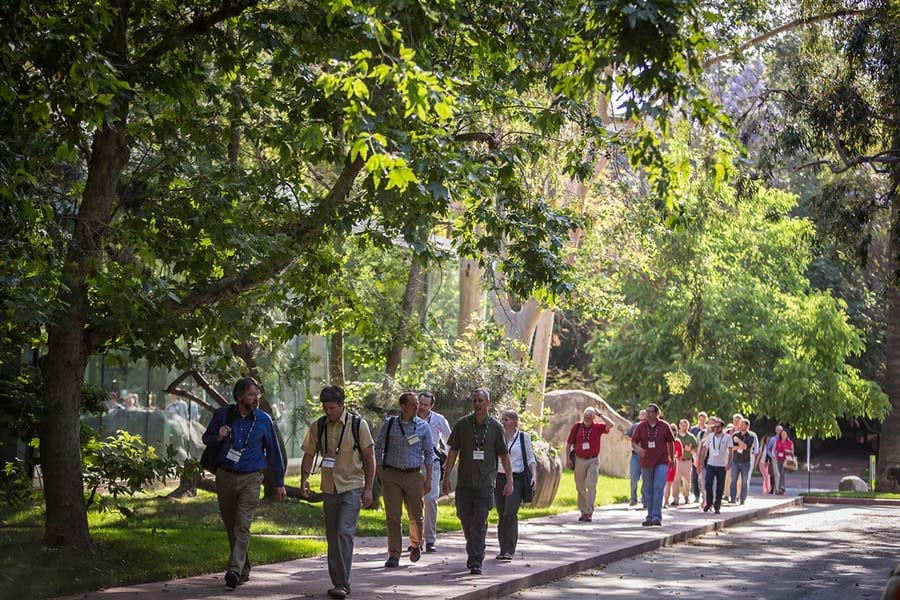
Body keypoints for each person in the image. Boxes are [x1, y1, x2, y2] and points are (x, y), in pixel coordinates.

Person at [202, 377, 286, 590]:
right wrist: (218, 436)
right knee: (231, 525)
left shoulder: (264, 420)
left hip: (252, 477)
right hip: (225, 476)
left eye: (257, 394)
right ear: (239, 396)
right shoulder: (223, 415)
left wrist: (279, 482)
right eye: (251, 394)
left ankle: (234, 570)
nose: (256, 398)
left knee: (243, 524)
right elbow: (206, 438)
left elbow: (274, 453)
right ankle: (243, 567)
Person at [300, 386, 376, 600]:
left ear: (342, 405)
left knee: (344, 532)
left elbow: (370, 458)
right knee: (332, 536)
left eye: (332, 408)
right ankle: (337, 582)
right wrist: (304, 478)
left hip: (352, 485)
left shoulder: (358, 425)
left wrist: (368, 488)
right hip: (329, 486)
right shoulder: (319, 425)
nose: (328, 412)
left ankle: (343, 583)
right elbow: (309, 453)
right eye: (325, 408)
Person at [441, 388, 513, 575]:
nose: (477, 404)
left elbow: (504, 456)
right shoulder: (462, 425)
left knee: (479, 522)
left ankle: (476, 561)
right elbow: (453, 452)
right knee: (465, 519)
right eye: (474, 400)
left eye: (481, 400)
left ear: (488, 403)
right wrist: (446, 476)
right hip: (464, 483)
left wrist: (509, 480)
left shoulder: (496, 427)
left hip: (485, 483)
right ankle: (473, 548)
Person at [375, 392, 433, 568]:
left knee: (416, 515)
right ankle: (394, 554)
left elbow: (429, 453)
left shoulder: (423, 427)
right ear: (403, 406)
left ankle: (415, 544)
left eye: (418, 404)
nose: (418, 408)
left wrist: (429, 478)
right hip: (391, 474)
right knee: (393, 516)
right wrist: (380, 470)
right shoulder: (390, 423)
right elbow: (378, 446)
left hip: (414, 476)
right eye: (414, 405)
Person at [494, 409, 537, 561]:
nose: (503, 422)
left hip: (517, 479)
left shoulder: (523, 437)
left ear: (514, 422)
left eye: (506, 419)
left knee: (510, 513)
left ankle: (509, 550)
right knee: (501, 514)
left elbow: (531, 458)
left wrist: (534, 476)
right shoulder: (498, 436)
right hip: (499, 478)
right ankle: (502, 548)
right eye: (502, 419)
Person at [566, 406, 615, 522]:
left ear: (593, 417)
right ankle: (583, 511)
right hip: (579, 459)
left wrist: (600, 415)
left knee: (590, 485)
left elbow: (611, 425)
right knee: (580, 486)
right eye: (585, 416)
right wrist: (567, 459)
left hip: (593, 460)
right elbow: (569, 444)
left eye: (589, 417)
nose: (587, 419)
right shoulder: (577, 427)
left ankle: (589, 512)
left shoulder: (598, 427)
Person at [417, 391, 452, 553]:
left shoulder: (439, 420)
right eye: (420, 403)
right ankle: (416, 539)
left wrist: (449, 466)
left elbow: (450, 443)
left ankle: (430, 539)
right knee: (415, 502)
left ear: (431, 406)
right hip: (413, 465)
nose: (422, 407)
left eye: (426, 405)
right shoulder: (409, 419)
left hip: (434, 464)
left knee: (430, 499)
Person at [631, 403, 675, 526]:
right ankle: (649, 516)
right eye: (647, 411)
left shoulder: (664, 426)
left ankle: (656, 516)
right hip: (646, 462)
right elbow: (633, 441)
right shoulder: (641, 426)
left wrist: (671, 457)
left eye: (651, 411)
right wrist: (638, 449)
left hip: (661, 461)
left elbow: (671, 442)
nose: (648, 413)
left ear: (657, 414)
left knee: (658, 487)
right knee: (648, 490)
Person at [699, 417, 733, 514]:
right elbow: (705, 449)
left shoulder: (727, 437)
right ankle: (709, 502)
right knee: (708, 483)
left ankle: (717, 505)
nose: (716, 429)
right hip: (711, 464)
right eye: (715, 427)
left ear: (722, 427)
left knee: (720, 486)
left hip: (722, 465)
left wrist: (729, 463)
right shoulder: (710, 437)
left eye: (718, 427)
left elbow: (730, 451)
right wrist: (701, 461)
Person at [729, 417, 755, 504]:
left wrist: (739, 442)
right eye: (740, 424)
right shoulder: (735, 434)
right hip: (735, 461)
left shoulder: (751, 436)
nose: (740, 426)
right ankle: (732, 498)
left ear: (747, 426)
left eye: (742, 424)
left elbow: (746, 447)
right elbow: (731, 448)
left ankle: (742, 499)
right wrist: (740, 446)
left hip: (746, 462)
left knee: (744, 481)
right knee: (733, 480)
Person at [673, 419, 698, 505]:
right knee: (676, 480)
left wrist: (690, 449)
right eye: (683, 425)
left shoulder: (691, 437)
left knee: (687, 480)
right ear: (679, 426)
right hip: (678, 460)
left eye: (686, 425)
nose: (684, 427)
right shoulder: (676, 436)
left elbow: (696, 448)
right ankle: (675, 498)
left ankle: (686, 496)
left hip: (687, 461)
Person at [626, 410, 647, 508]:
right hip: (635, 455)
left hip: (647, 456)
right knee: (634, 477)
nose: (642, 421)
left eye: (644, 419)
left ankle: (645, 499)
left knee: (646, 478)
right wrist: (633, 439)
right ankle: (633, 498)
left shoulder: (650, 427)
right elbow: (626, 436)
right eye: (641, 419)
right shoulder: (634, 426)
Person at [663, 423, 683, 508]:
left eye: (674, 430)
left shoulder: (677, 442)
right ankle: (663, 500)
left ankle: (666, 501)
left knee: (669, 483)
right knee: (663, 483)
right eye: (670, 429)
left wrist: (674, 456)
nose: (672, 431)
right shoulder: (663, 440)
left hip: (672, 463)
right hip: (663, 462)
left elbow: (680, 454)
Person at [689, 412, 708, 502]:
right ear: (698, 419)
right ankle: (696, 495)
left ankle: (705, 496)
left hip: (705, 456)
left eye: (703, 419)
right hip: (695, 455)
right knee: (694, 477)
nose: (702, 421)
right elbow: (690, 442)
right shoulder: (693, 429)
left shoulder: (708, 429)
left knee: (704, 477)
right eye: (700, 419)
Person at [774, 427, 794, 494]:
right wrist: (774, 454)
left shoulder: (790, 442)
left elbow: (792, 452)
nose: (783, 435)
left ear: (787, 435)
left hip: (786, 460)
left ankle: (781, 488)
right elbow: (774, 449)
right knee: (780, 473)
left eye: (785, 434)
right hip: (779, 459)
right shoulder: (777, 442)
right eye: (782, 434)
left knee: (782, 473)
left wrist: (788, 451)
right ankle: (781, 488)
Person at [766, 425, 783, 494]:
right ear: (775, 430)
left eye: (780, 430)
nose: (779, 431)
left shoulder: (784, 438)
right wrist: (771, 456)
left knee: (780, 474)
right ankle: (774, 488)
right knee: (773, 474)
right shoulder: (773, 439)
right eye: (778, 430)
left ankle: (780, 488)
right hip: (774, 459)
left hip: (782, 459)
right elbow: (768, 449)